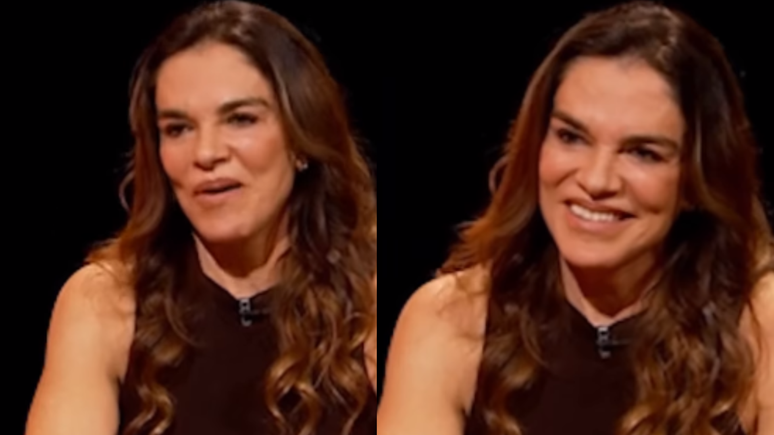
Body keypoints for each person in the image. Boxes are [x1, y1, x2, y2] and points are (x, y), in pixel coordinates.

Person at [378, 2, 773, 435]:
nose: (596, 180)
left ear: (698, 180)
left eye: (642, 153)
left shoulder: (760, 324)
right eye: (571, 137)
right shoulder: (447, 323)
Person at [25, 2, 377, 435]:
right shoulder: (104, 305)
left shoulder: (370, 301)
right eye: (178, 129)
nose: (206, 153)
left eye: (240, 119)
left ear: (301, 139)